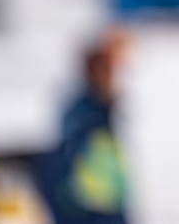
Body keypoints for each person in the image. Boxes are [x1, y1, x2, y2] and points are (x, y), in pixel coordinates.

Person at [35, 29, 131, 224]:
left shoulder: (101, 111)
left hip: (108, 204)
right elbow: (65, 161)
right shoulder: (84, 113)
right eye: (108, 71)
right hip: (88, 208)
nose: (113, 79)